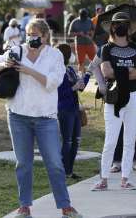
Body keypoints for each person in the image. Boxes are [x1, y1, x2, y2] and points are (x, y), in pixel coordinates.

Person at [0, 18, 82, 218]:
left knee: (55, 164)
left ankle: (65, 207)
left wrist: (28, 70)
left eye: (35, 35)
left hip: (45, 118)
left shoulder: (54, 55)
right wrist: (6, 64)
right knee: (23, 164)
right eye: (29, 34)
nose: (31, 38)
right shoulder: (18, 50)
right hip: (17, 115)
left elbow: (53, 83)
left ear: (45, 36)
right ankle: (24, 207)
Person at [92, 12, 136, 191]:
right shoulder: (106, 48)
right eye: (117, 24)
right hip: (114, 98)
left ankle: (125, 178)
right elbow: (106, 72)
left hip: (135, 96)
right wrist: (129, 70)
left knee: (130, 140)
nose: (120, 26)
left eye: (124, 23)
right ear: (112, 27)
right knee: (110, 140)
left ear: (129, 27)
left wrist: (120, 71)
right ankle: (104, 179)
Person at [57, 44, 88, 180]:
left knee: (76, 141)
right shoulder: (57, 71)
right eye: (71, 53)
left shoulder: (69, 69)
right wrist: (73, 88)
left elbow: (79, 88)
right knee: (67, 141)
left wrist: (86, 76)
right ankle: (64, 171)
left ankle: (69, 171)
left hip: (75, 109)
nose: (73, 55)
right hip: (65, 110)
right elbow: (58, 94)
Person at [68, 8, 96, 74]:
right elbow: (69, 33)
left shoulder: (89, 21)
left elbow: (94, 30)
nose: (84, 19)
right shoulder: (75, 22)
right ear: (79, 15)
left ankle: (98, 76)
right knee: (81, 62)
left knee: (95, 61)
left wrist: (90, 33)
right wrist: (78, 33)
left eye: (85, 17)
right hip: (79, 44)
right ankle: (81, 77)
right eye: (82, 17)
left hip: (89, 43)